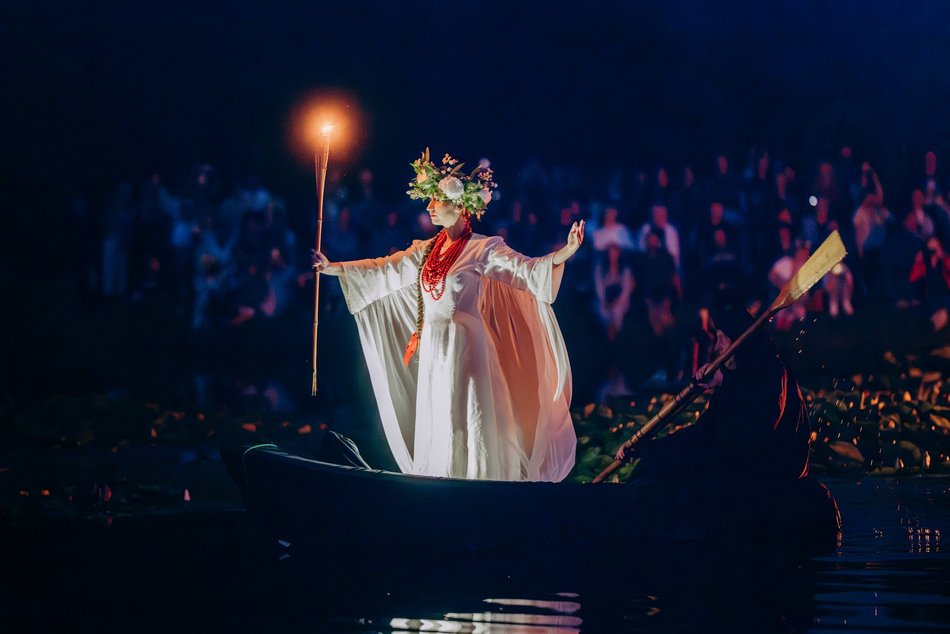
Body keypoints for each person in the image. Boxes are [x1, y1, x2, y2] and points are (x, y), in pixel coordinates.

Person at [311, 149, 585, 482]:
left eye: (436, 200)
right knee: (440, 413)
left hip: (467, 347)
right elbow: (385, 270)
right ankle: (441, 486)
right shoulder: (426, 250)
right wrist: (333, 268)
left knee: (469, 416)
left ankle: (477, 485)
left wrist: (566, 251)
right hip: (436, 347)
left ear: (459, 206)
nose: (429, 207)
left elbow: (524, 270)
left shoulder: (483, 248)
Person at [615, 306, 811, 482]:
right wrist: (647, 449)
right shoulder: (736, 375)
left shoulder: (773, 371)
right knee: (652, 468)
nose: (717, 347)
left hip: (762, 474)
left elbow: (749, 435)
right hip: (734, 463)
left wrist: (725, 380)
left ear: (738, 342)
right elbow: (704, 431)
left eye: (721, 339)